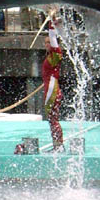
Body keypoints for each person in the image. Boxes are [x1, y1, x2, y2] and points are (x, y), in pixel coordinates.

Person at [43, 18, 64, 152]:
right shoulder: (51, 55)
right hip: (49, 88)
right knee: (51, 119)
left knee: (53, 119)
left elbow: (53, 37)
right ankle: (56, 144)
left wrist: (51, 22)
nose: (46, 44)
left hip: (52, 90)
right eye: (45, 43)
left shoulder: (56, 54)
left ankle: (59, 145)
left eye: (48, 42)